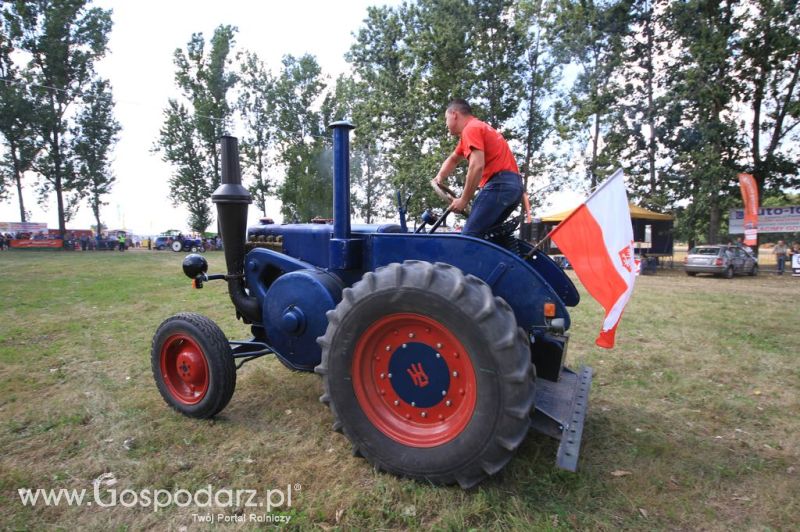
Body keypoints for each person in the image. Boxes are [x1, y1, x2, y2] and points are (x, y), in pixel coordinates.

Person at [431, 99, 523, 238]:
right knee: (488, 237)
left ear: (454, 114)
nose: (446, 124)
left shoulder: (470, 129)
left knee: (469, 238)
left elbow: (477, 166)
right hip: (513, 187)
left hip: (499, 185)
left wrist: (463, 200)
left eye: (446, 118)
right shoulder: (478, 128)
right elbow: (453, 159)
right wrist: (439, 177)